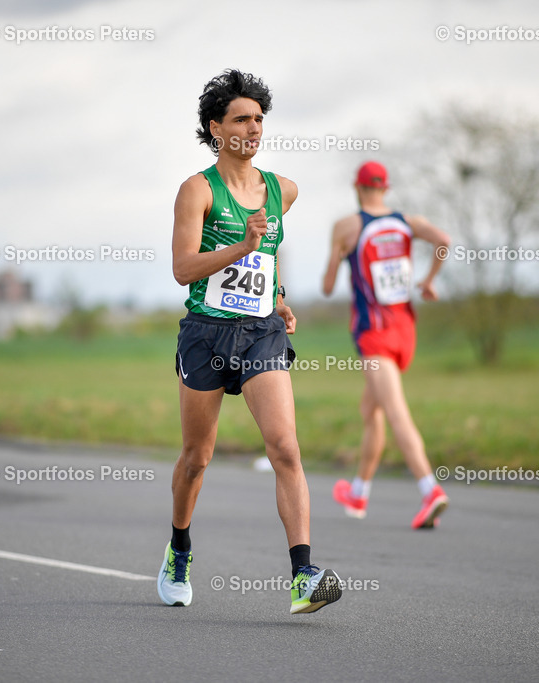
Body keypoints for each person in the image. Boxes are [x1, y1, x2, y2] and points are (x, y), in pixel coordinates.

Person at [158, 69, 342, 614]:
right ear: (216, 128)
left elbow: (266, 255)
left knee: (285, 447)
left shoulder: (282, 189)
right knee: (197, 456)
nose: (253, 127)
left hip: (261, 331)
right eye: (241, 118)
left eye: (259, 118)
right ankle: (179, 549)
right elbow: (183, 268)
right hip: (206, 332)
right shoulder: (196, 190)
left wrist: (278, 294)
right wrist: (242, 244)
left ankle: (303, 575)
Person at [322, 161, 451, 529]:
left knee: (395, 412)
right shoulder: (408, 221)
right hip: (405, 331)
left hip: (374, 333)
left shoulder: (348, 226)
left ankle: (430, 491)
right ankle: (359, 490)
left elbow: (329, 286)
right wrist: (428, 281)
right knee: (371, 410)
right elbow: (444, 241)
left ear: (356, 187)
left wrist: (337, 256)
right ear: (386, 188)